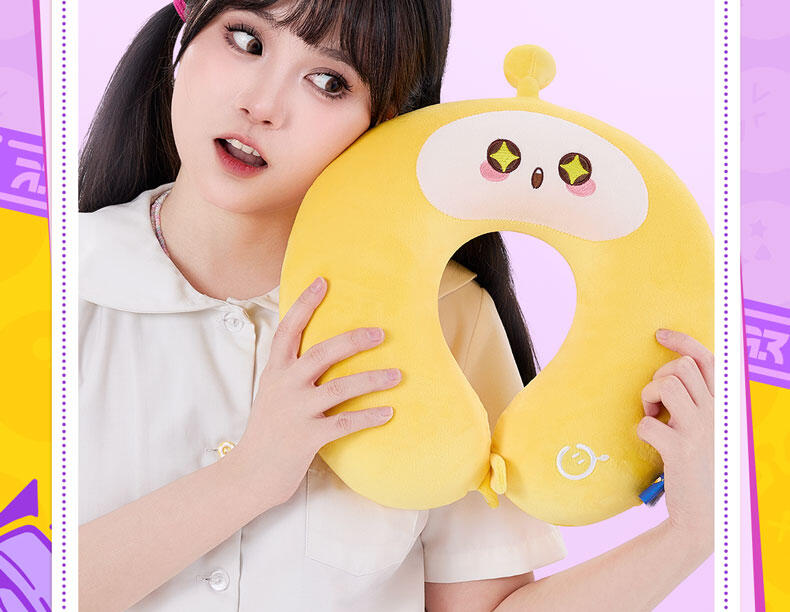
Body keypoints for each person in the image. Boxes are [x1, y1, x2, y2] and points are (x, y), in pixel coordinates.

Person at [77, 1, 714, 610]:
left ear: (383, 121)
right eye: (246, 40)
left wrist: (691, 536)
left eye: (329, 81)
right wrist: (250, 476)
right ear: (188, 23)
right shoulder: (51, 286)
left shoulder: (449, 317)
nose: (262, 105)